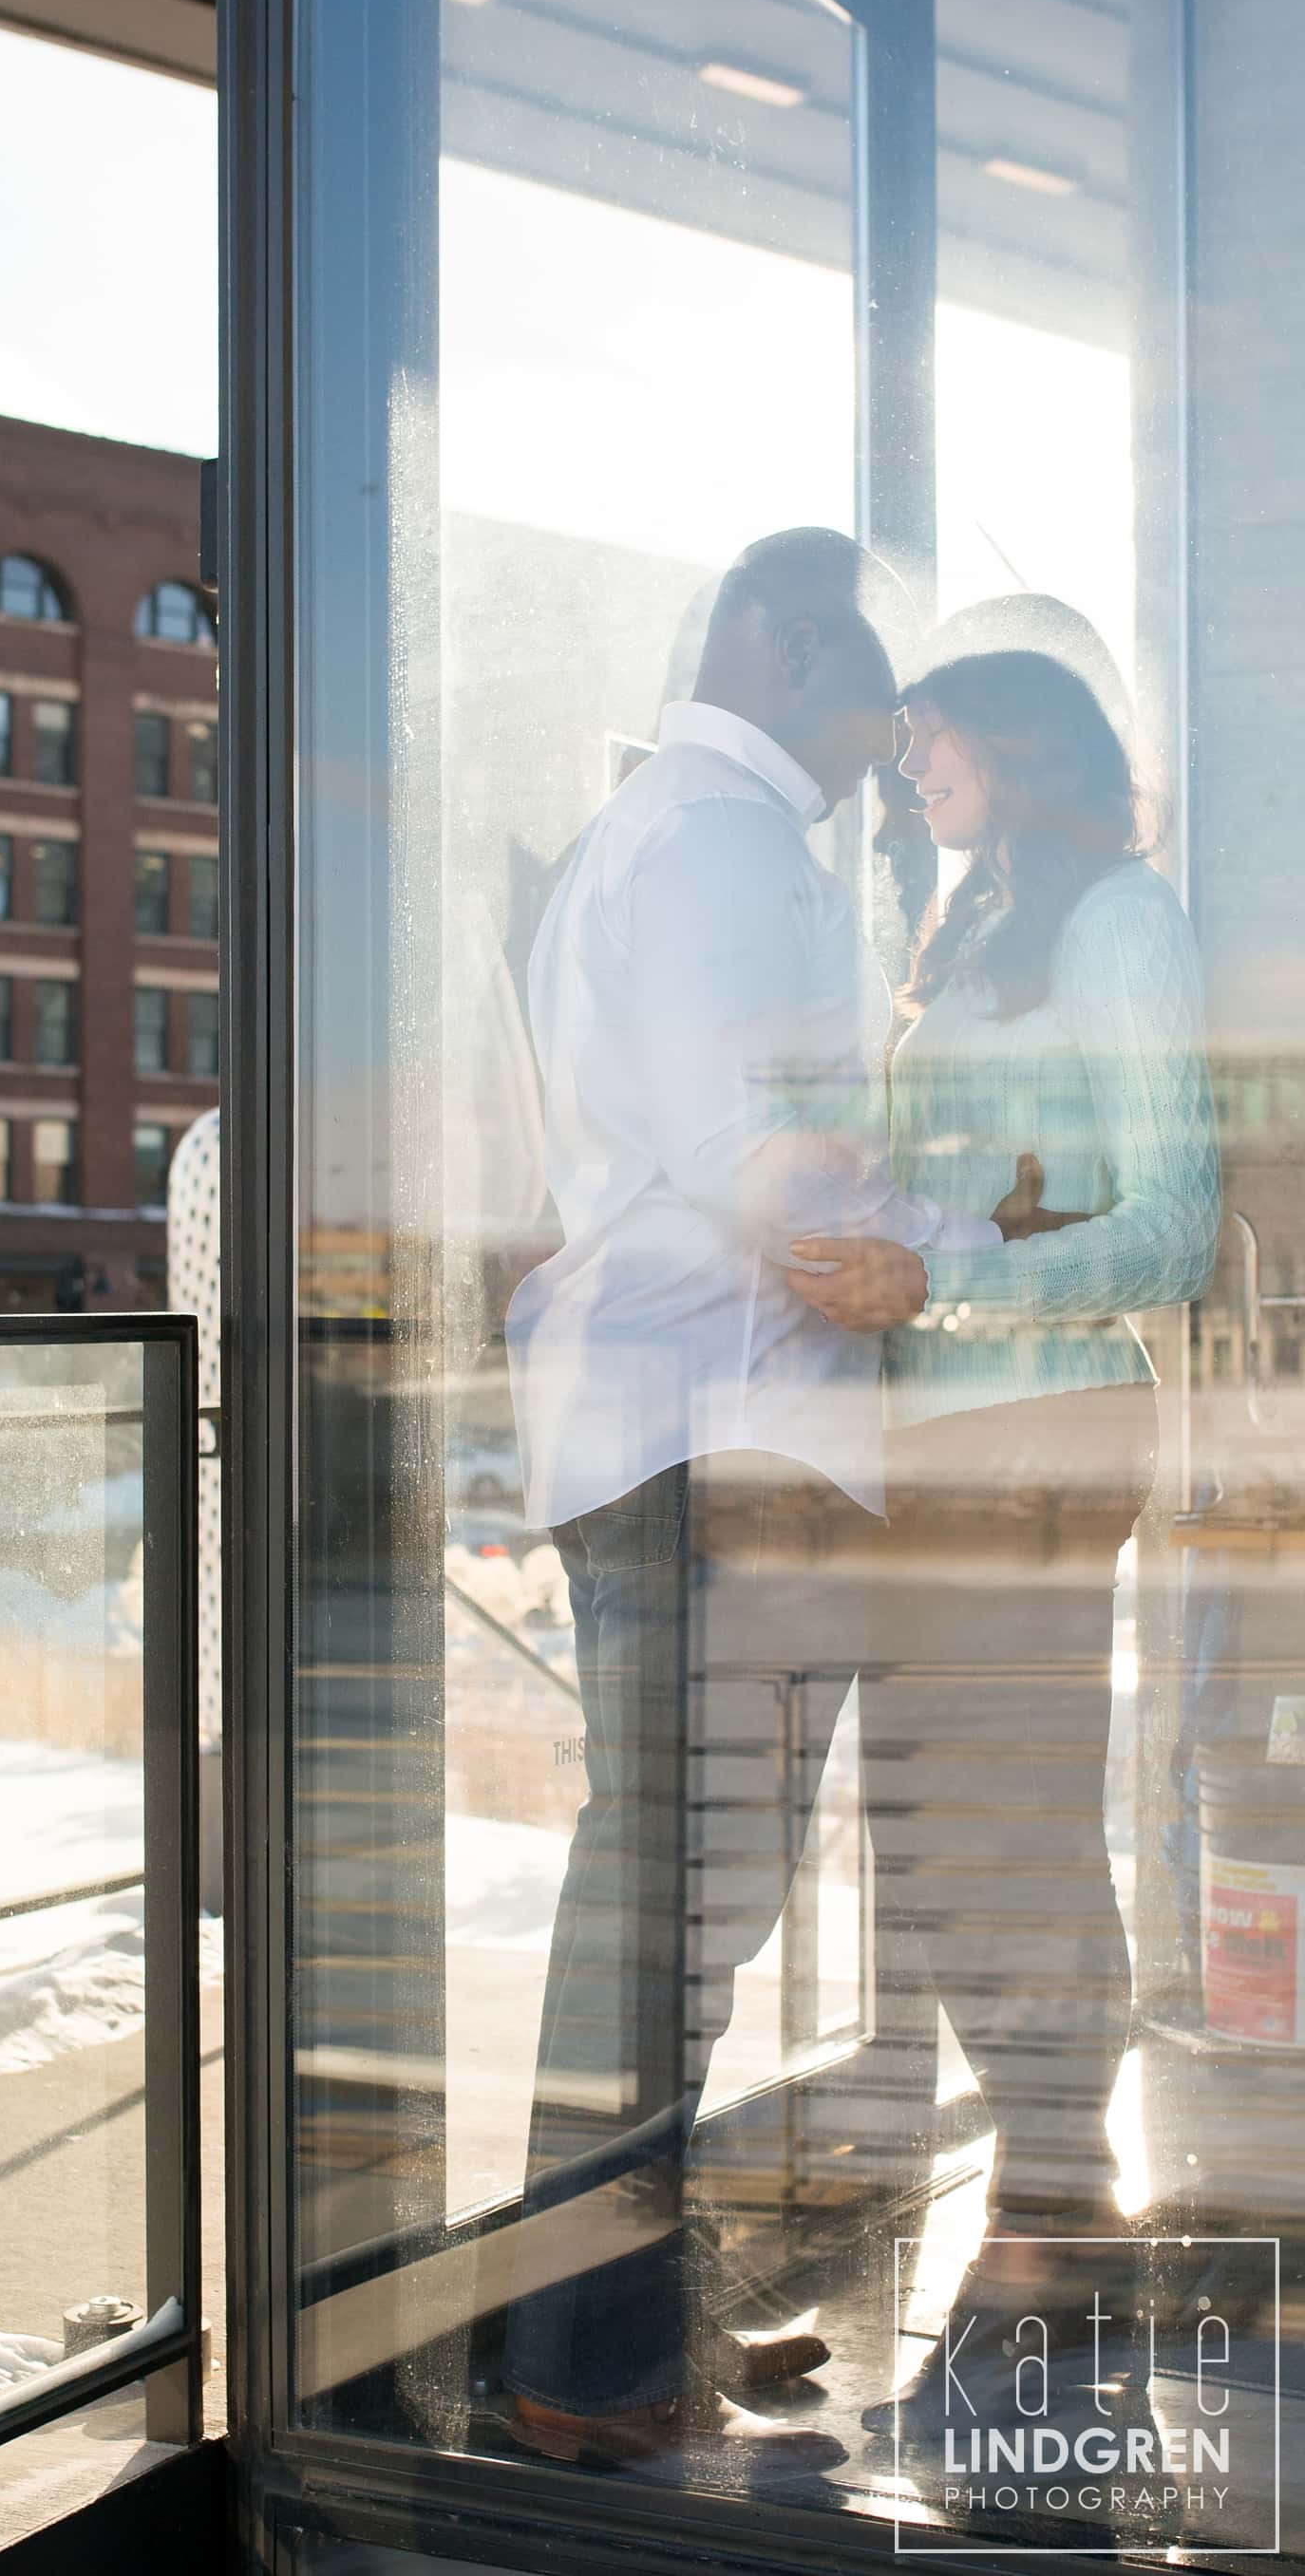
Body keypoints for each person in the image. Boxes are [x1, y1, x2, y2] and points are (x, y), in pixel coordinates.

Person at [501, 533, 1030, 2475]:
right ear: (782, 642)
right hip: (712, 1447)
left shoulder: (673, 833)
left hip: (676, 1440)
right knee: (666, 1923)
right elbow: (763, 1164)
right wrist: (981, 1237)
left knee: (658, 1917)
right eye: (866, 693)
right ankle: (581, 2366)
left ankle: (601, 2332)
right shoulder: (720, 843)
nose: (891, 744)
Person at [787, 618, 1219, 2428]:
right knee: (943, 1817)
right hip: (947, 1442)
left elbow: (1171, 1226)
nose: (906, 759)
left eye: (932, 733)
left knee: (1009, 1817)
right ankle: (1071, 2201)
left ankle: (1051, 2210)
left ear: (1021, 743)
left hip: (1045, 1429)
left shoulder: (1125, 924)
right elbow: (965, 1184)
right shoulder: (968, 922)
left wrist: (940, 1292)